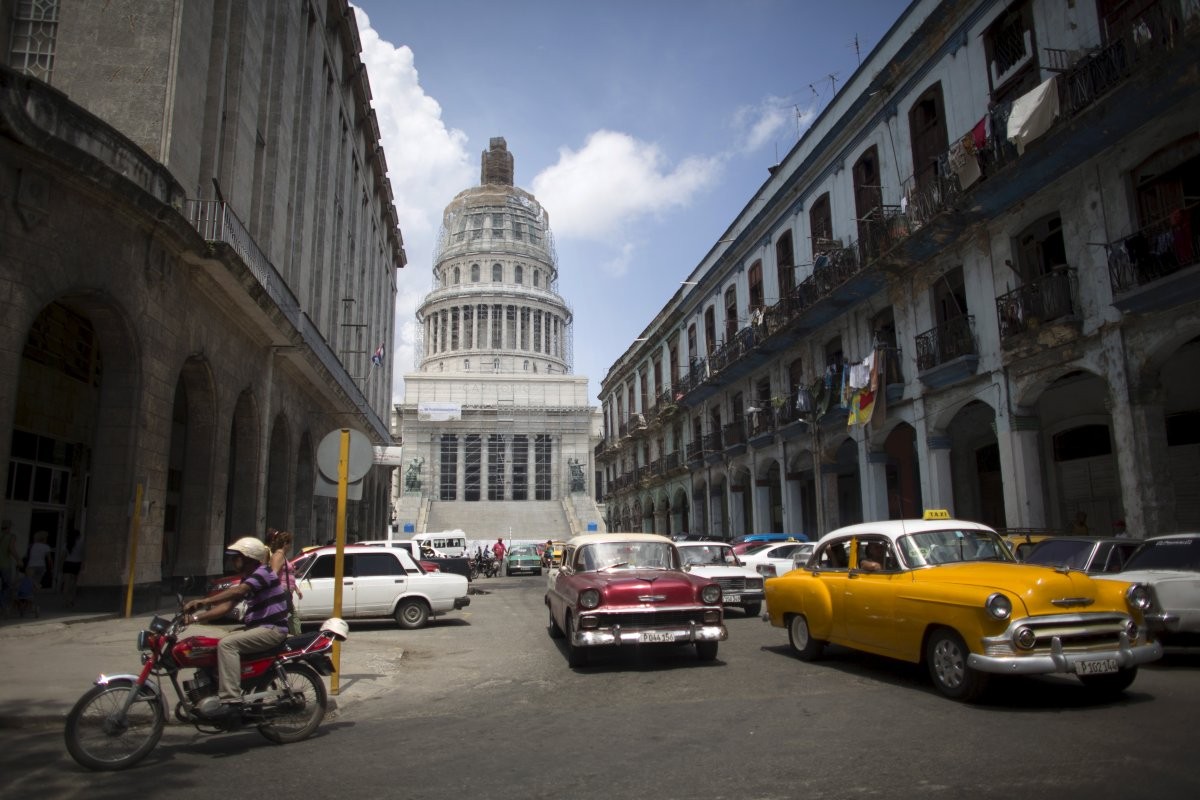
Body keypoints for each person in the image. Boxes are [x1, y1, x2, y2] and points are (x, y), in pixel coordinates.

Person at [183, 537, 288, 718]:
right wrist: (195, 618)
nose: (233, 561)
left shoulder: (262, 573)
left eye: (236, 557)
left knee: (227, 644)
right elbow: (226, 607)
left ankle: (230, 699)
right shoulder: (248, 578)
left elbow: (238, 592)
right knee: (211, 644)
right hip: (258, 627)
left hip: (272, 629)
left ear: (249, 558)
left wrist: (204, 600)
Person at [268, 529, 303, 635]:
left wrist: (296, 589)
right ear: (285, 544)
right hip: (281, 593)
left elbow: (288, 575)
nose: (290, 546)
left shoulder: (282, 556)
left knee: (289, 618)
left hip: (286, 593)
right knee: (293, 618)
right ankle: (298, 640)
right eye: (289, 544)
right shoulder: (278, 556)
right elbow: (273, 575)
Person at [62, 529, 85, 607]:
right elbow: (84, 555)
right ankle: (71, 600)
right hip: (77, 564)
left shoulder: (67, 544)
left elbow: (63, 556)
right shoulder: (81, 544)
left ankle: (65, 601)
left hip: (68, 563)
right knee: (74, 584)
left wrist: (61, 565)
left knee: (66, 584)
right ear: (78, 536)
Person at [0, 520, 19, 614]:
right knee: (6, 586)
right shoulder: (11, 536)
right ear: (9, 527)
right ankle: (3, 606)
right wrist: (18, 559)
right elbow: (11, 548)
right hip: (5, 565)